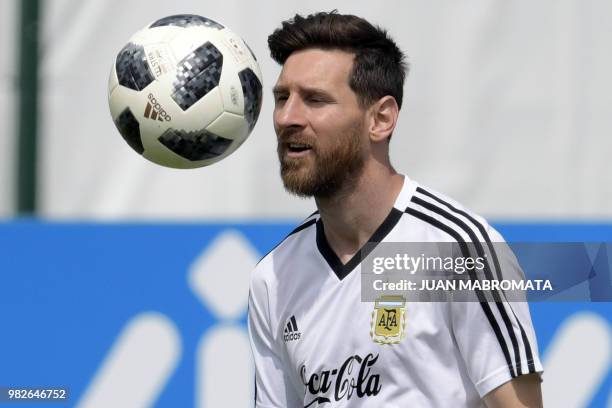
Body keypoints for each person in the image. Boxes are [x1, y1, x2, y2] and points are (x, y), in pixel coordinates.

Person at [248, 11, 543, 407]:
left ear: (381, 119)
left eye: (315, 100)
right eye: (282, 98)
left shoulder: (459, 248)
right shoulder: (273, 277)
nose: (287, 118)